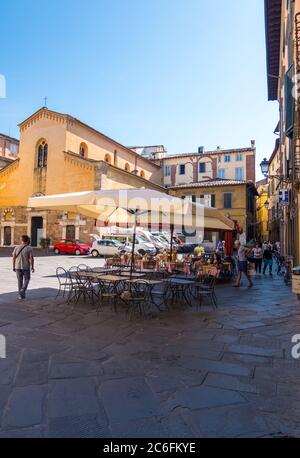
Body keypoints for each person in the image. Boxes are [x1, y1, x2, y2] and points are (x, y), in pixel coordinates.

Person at [12, 235, 35, 300]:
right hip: (26, 267)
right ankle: (23, 289)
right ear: (27, 240)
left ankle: (20, 296)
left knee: (20, 281)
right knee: (27, 279)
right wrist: (32, 267)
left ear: (21, 240)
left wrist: (13, 266)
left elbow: (13, 258)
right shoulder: (29, 248)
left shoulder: (16, 247)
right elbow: (31, 258)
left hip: (17, 267)